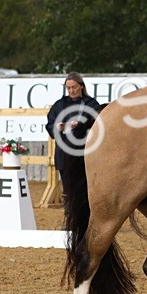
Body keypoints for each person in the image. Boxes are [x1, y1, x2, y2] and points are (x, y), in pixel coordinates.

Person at [45, 73, 103, 202]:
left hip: (85, 155)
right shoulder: (59, 104)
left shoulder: (91, 104)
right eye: (68, 88)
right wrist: (57, 127)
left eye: (74, 87)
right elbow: (49, 124)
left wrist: (81, 125)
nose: (71, 90)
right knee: (68, 192)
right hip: (64, 155)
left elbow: (99, 126)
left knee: (85, 191)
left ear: (81, 86)